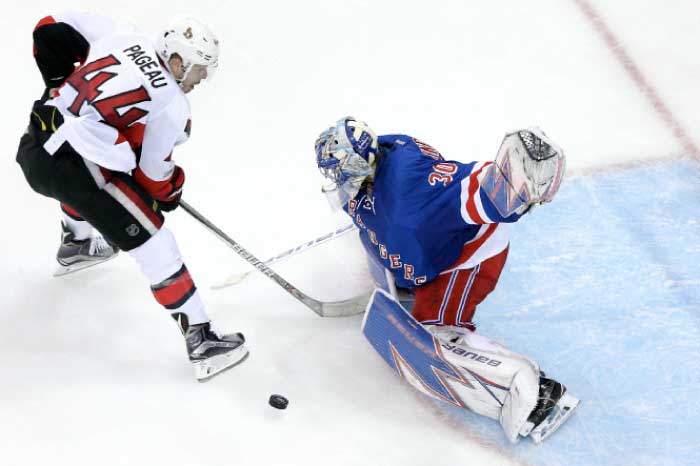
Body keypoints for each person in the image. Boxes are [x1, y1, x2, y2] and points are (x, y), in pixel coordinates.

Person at [314, 117, 578, 443]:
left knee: (438, 335)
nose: (337, 178)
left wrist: (511, 187)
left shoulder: (410, 201)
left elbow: (468, 190)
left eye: (341, 169)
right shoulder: (383, 155)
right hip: (429, 244)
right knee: (394, 245)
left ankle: (536, 393)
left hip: (467, 254)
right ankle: (415, 278)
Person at [16, 11, 248, 381]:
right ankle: (202, 340)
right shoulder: (173, 104)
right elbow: (155, 176)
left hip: (36, 142)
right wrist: (170, 192)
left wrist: (60, 81)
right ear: (176, 60)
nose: (200, 79)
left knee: (93, 180)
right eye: (198, 69)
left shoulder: (123, 33)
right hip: (78, 169)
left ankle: (76, 243)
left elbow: (47, 24)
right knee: (156, 240)